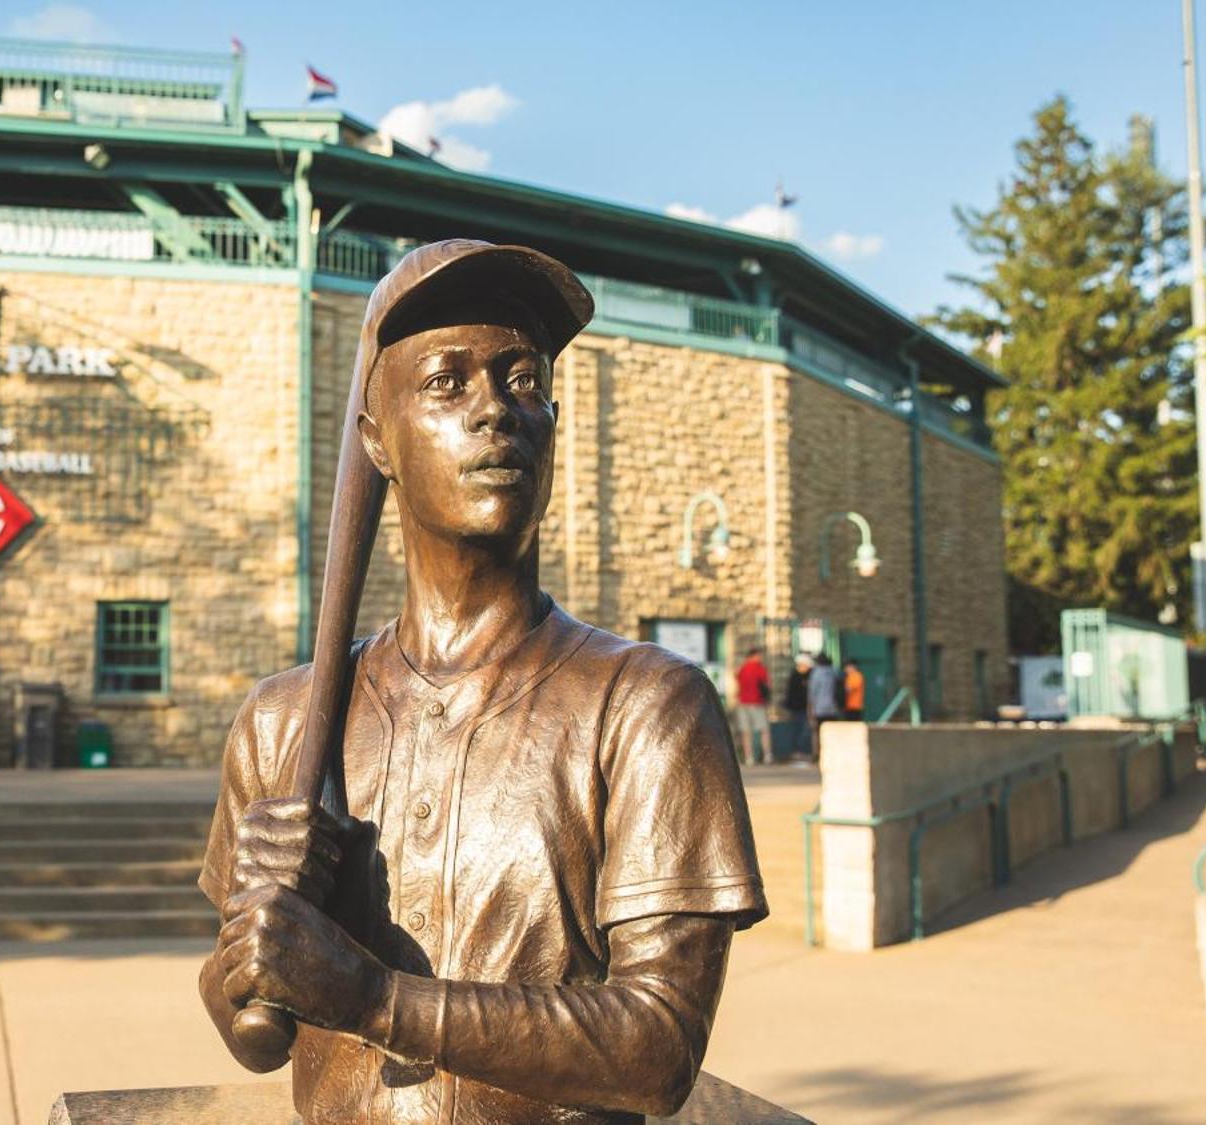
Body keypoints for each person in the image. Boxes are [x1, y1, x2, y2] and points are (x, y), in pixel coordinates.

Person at [197, 240, 767, 1124]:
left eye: (524, 380)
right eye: (446, 383)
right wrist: (256, 949)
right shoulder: (285, 721)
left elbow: (658, 1048)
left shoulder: (647, 702)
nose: (498, 411)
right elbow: (251, 1029)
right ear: (376, 439)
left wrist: (370, 996)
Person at [733, 647, 772, 766]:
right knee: (764, 730)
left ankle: (748, 757)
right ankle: (767, 755)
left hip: (743, 703)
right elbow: (768, 685)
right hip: (757, 703)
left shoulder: (742, 668)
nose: (760, 658)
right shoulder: (760, 669)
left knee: (746, 732)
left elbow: (737, 680)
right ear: (754, 656)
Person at [807, 653, 840, 762]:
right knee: (833, 732)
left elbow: (812, 694)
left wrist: (810, 710)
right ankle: (832, 753)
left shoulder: (816, 674)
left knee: (817, 732)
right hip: (834, 708)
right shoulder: (835, 673)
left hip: (819, 708)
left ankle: (818, 754)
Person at [782, 653, 812, 762]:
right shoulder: (795, 677)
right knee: (800, 729)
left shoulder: (810, 675)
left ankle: (805, 751)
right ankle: (799, 751)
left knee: (805, 730)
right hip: (799, 708)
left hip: (807, 708)